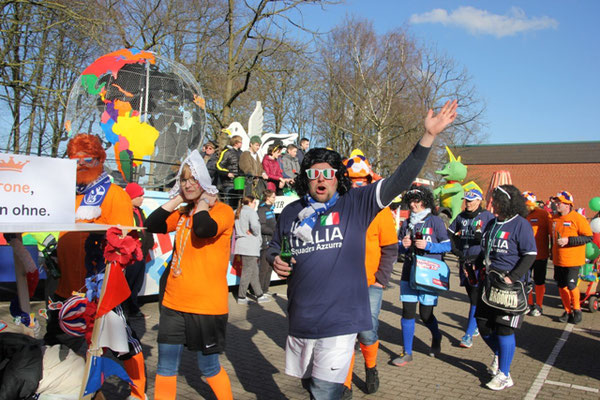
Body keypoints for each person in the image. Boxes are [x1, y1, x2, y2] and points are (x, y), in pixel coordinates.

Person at [267, 100, 457, 399]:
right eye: (314, 174)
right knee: (310, 385)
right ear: (305, 178)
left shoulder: (356, 204)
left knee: (323, 391)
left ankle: (364, 372)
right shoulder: (292, 211)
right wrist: (274, 259)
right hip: (302, 317)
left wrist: (428, 136)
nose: (321, 179)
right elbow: (274, 247)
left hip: (341, 318)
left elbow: (399, 180)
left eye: (328, 173)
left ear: (337, 178)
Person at [44, 133, 146, 400]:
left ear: (100, 160)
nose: (80, 164)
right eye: (74, 160)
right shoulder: (66, 195)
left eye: (87, 159)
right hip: (65, 293)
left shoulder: (115, 196)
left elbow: (127, 246)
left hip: (99, 296)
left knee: (123, 347)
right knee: (56, 351)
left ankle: (138, 393)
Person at [145, 150, 234, 400]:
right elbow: (151, 224)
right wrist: (177, 199)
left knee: (209, 368)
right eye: (184, 180)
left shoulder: (223, 211)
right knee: (165, 368)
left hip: (206, 307)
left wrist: (204, 202)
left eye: (193, 179)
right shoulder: (183, 213)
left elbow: (204, 229)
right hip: (173, 304)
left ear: (204, 182)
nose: (188, 184)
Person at [341, 155, 398, 397]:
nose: (356, 184)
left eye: (361, 180)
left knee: (367, 331)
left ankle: (371, 367)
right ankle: (344, 383)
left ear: (368, 180)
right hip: (341, 284)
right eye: (352, 180)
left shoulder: (381, 211)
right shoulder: (337, 206)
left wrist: (381, 280)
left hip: (370, 283)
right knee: (344, 335)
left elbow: (390, 247)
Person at [475, 184, 537, 391]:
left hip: (510, 286)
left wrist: (513, 277)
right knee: (483, 325)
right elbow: (485, 250)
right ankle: (501, 356)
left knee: (504, 328)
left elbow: (530, 254)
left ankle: (504, 374)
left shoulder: (521, 224)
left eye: (496, 201)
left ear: (506, 203)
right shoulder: (492, 223)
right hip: (489, 282)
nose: (492, 204)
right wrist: (475, 265)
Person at [392, 185, 450, 367]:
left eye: (416, 201)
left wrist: (429, 246)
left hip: (428, 273)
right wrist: (402, 245)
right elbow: (398, 247)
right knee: (407, 312)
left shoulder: (435, 221)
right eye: (410, 201)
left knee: (425, 315)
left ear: (425, 201)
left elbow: (448, 246)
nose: (413, 204)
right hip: (409, 272)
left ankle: (436, 336)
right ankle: (407, 352)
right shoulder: (406, 223)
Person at [447, 188, 494, 348]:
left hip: (479, 262)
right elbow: (449, 233)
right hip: (464, 261)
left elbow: (494, 236)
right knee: (471, 296)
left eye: (471, 201)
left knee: (475, 297)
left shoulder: (487, 216)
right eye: (466, 200)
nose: (467, 203)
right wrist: (455, 250)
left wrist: (483, 241)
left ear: (479, 201)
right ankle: (475, 324)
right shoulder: (461, 217)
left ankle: (468, 335)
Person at [550, 190, 593, 324]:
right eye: (556, 202)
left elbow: (588, 237)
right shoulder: (554, 218)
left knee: (571, 284)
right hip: (558, 259)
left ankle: (577, 309)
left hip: (573, 260)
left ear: (568, 204)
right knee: (561, 285)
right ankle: (567, 311)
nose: (557, 204)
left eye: (560, 202)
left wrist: (569, 240)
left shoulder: (578, 218)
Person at [123, 182, 155, 319]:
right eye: (140, 196)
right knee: (129, 283)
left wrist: (148, 245)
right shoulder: (125, 211)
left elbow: (147, 229)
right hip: (131, 255)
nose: (142, 198)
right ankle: (128, 310)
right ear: (131, 197)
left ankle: (132, 309)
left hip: (141, 253)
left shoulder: (140, 211)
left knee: (137, 283)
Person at [234, 195, 271, 304]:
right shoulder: (251, 212)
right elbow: (255, 227)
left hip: (242, 244)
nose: (255, 204)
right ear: (250, 203)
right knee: (247, 272)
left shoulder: (237, 211)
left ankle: (259, 295)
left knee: (253, 271)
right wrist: (255, 233)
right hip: (250, 245)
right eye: (254, 202)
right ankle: (241, 296)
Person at [522, 191, 551, 317]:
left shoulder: (543, 214)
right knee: (526, 280)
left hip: (540, 254)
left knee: (539, 280)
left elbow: (551, 233)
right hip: (524, 255)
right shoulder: (520, 215)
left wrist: (552, 250)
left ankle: (539, 305)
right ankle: (528, 303)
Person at [257, 189, 277, 294]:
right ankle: (259, 291)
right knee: (263, 268)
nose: (275, 198)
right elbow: (262, 227)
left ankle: (265, 290)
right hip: (265, 242)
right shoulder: (262, 209)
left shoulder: (271, 209)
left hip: (272, 241)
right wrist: (274, 232)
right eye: (273, 197)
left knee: (270, 267)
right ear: (267, 198)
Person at [216, 135, 243, 206]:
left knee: (238, 204)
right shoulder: (227, 152)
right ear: (235, 143)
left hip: (239, 182)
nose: (242, 143)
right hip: (229, 183)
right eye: (240, 142)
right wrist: (227, 173)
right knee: (229, 204)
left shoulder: (241, 153)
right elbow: (219, 165)